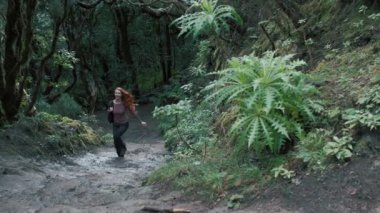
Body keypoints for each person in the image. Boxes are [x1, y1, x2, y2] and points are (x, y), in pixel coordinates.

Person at [108, 87, 147, 157]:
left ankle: (123, 147)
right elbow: (110, 113)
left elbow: (133, 112)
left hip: (124, 124)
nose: (117, 94)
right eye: (116, 93)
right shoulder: (111, 103)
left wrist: (141, 121)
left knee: (116, 136)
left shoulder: (125, 103)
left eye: (118, 93)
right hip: (115, 124)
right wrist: (110, 111)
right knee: (115, 139)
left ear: (121, 94)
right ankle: (120, 155)